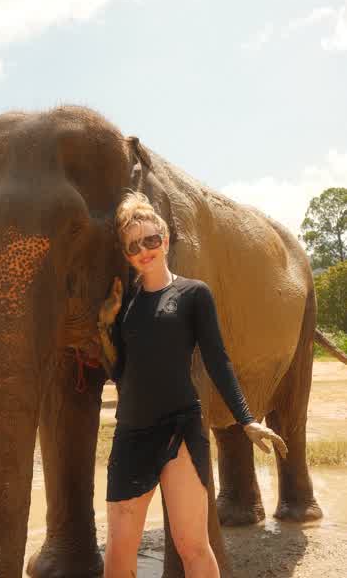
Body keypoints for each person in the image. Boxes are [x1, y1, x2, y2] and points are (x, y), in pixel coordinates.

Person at [97, 191, 288, 578]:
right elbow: (118, 372)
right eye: (134, 246)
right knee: (118, 551)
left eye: (151, 240)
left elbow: (217, 359)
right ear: (127, 254)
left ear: (165, 240)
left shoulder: (193, 293)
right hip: (132, 432)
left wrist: (247, 419)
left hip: (182, 428)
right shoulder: (124, 303)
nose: (144, 250)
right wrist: (105, 325)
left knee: (193, 545)